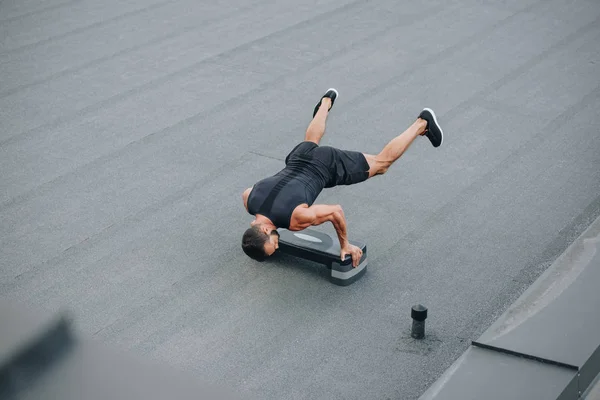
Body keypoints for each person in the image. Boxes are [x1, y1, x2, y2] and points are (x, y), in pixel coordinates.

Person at [241, 88, 443, 267]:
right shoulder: (249, 199)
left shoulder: (296, 219)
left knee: (381, 164)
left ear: (267, 230)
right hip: (297, 156)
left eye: (272, 245)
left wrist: (345, 244)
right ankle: (326, 101)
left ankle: (422, 123)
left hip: (326, 164)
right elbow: (254, 197)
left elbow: (335, 212)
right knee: (311, 141)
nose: (276, 248)